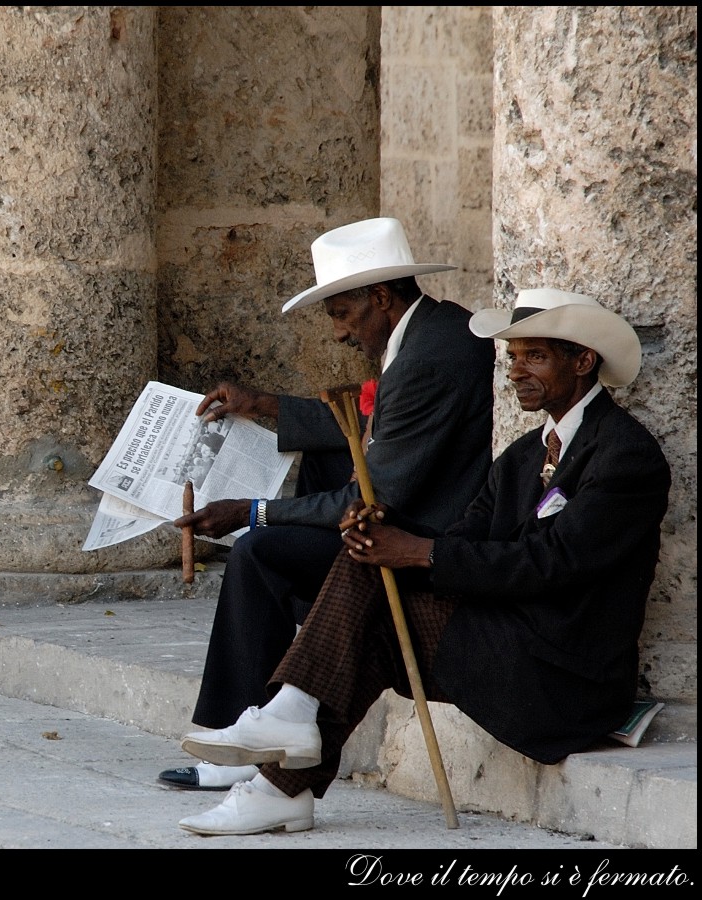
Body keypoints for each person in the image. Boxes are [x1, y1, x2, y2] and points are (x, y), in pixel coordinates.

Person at [176, 288, 672, 835]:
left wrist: (419, 550)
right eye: (512, 358)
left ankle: (288, 725)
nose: (515, 372)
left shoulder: (625, 454)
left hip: (561, 676)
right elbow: (467, 534)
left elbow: (549, 563)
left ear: (583, 361)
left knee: (379, 578)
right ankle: (282, 786)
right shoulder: (524, 455)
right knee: (370, 569)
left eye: (535, 357)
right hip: (507, 639)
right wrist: (388, 541)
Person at [158, 217, 496, 790]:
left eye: (342, 314)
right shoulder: (433, 329)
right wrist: (264, 404)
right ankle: (272, 709)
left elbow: (376, 492)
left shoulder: (426, 359)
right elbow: (373, 426)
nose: (339, 334)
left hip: (423, 535)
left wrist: (252, 513)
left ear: (381, 298)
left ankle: (245, 738)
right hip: (413, 503)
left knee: (258, 554)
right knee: (316, 466)